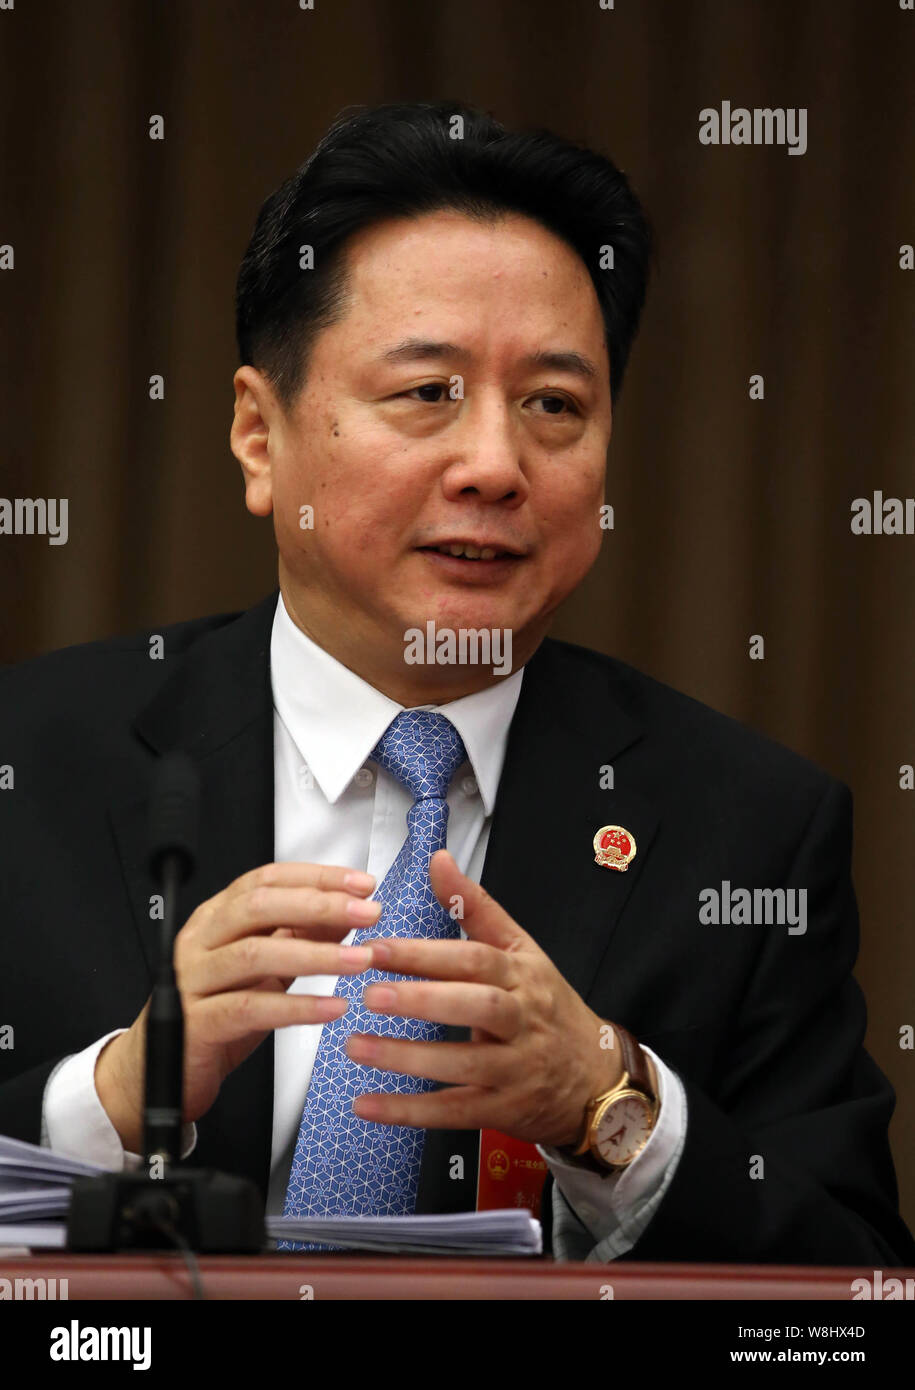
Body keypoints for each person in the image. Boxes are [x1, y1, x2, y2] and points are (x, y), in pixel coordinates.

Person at [1, 100, 912, 1265]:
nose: (494, 463)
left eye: (554, 406)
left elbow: (848, 1286)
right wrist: (113, 1097)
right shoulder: (29, 765)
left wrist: (611, 1107)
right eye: (427, 391)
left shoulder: (746, 829)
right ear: (256, 435)